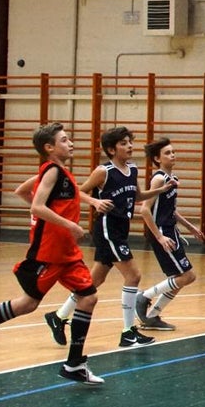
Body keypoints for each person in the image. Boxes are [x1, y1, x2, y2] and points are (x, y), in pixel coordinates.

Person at [0, 123, 111, 384]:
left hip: (68, 254)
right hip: (48, 253)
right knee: (27, 304)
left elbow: (26, 194)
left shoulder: (61, 172)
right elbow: (37, 207)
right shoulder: (52, 171)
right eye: (64, 140)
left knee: (88, 299)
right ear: (49, 148)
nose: (71, 143)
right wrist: (68, 224)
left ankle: (74, 364)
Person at [44, 126, 168, 349]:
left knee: (93, 282)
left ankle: (59, 316)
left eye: (130, 142)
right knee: (134, 275)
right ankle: (128, 332)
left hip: (121, 229)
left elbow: (138, 196)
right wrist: (94, 202)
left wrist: (162, 189)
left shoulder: (132, 169)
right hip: (107, 230)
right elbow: (77, 191)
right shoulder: (104, 171)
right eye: (123, 143)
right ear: (111, 150)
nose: (129, 146)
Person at [134, 137, 205, 331]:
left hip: (170, 230)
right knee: (187, 276)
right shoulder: (159, 178)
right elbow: (145, 210)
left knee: (178, 279)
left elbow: (170, 209)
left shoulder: (173, 178)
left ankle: (152, 317)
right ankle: (144, 297)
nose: (172, 155)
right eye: (167, 153)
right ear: (157, 159)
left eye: (173, 151)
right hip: (162, 233)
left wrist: (190, 227)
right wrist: (159, 236)